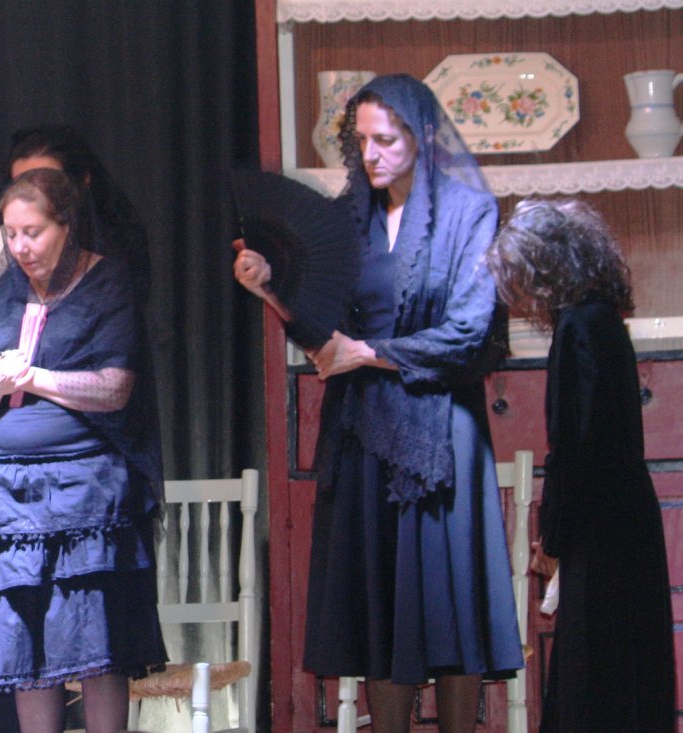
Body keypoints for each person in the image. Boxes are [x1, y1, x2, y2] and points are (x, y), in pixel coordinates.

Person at [233, 74, 521, 732]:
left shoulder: (469, 211)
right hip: (364, 430)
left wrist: (368, 353)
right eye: (361, 140)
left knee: (449, 606)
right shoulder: (349, 217)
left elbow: (468, 331)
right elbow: (324, 329)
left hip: (442, 431)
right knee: (378, 609)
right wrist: (270, 289)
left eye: (386, 140)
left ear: (423, 136)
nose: (371, 154)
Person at [0, 168, 166, 733]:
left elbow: (116, 388)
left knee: (98, 646)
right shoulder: (3, 291)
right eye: (11, 234)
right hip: (9, 489)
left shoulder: (105, 282)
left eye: (34, 232)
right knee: (27, 648)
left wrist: (35, 377)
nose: (20, 246)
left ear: (66, 226)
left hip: (86, 488)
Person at [484, 197, 675, 732]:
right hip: (625, 515)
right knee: (627, 672)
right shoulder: (602, 319)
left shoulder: (577, 327)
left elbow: (575, 446)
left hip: (600, 523)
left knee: (595, 678)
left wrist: (554, 536)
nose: (521, 295)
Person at [0, 125, 150, 356]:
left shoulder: (116, 237)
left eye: (46, 182)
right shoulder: (2, 243)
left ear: (83, 179)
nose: (32, 194)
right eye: (20, 184)